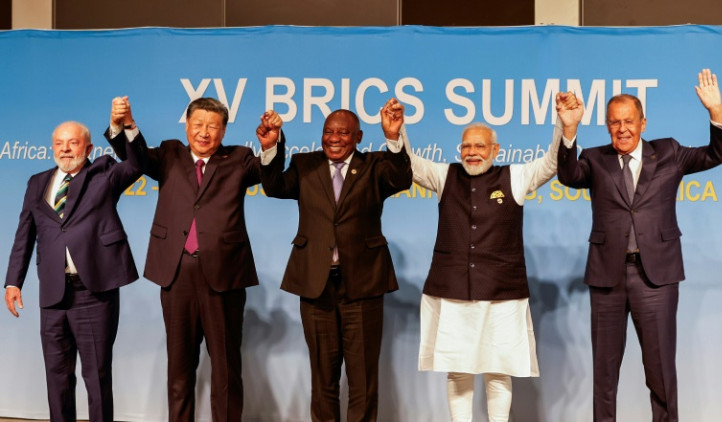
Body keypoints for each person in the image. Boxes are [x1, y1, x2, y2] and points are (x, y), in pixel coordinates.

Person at [382, 95, 581, 421]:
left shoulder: (515, 177)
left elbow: (550, 163)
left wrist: (565, 126)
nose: (472, 152)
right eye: (466, 147)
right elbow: (409, 165)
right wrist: (395, 135)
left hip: (501, 294)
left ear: (495, 150)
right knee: (458, 370)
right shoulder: (444, 175)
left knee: (497, 369)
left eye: (479, 146)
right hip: (452, 290)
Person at [556, 69, 722, 422]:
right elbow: (568, 175)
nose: (622, 129)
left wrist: (716, 114)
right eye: (614, 122)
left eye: (629, 121)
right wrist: (569, 130)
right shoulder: (593, 157)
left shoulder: (669, 152)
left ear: (643, 123)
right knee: (604, 374)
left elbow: (717, 154)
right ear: (607, 126)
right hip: (607, 277)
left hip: (657, 277)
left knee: (661, 369)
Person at [105, 97, 282, 422]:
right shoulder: (170, 154)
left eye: (213, 126)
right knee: (180, 368)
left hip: (225, 277)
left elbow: (270, 179)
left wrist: (270, 146)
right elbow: (136, 157)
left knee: (226, 369)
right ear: (186, 125)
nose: (204, 132)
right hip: (176, 275)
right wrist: (126, 124)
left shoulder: (239, 158)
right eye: (198, 125)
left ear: (224, 130)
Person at [256, 107, 412, 421]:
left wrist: (394, 137)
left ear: (358, 138)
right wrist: (271, 147)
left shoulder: (375, 166)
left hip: (363, 285)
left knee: (363, 381)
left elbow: (402, 178)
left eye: (343, 133)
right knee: (323, 378)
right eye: (329, 131)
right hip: (316, 285)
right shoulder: (305, 164)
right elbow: (274, 187)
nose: (334, 138)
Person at [4, 97, 145, 422]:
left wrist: (126, 126)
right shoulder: (37, 183)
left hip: (93, 293)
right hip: (52, 294)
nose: (65, 149)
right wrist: (14, 281)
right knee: (57, 379)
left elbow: (136, 164)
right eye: (59, 143)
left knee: (96, 378)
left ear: (89, 146)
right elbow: (24, 234)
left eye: (73, 143)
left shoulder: (104, 173)